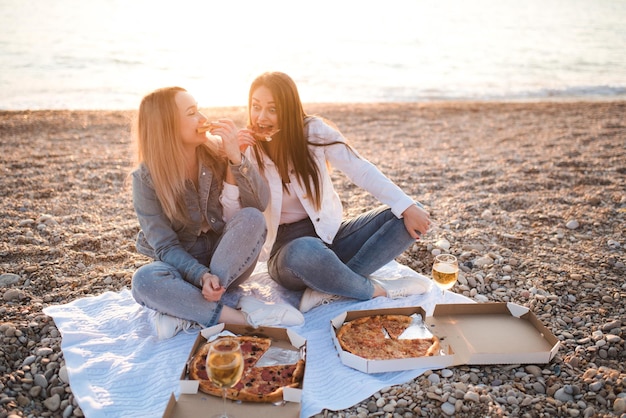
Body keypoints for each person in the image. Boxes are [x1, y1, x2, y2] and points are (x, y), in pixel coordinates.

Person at [237, 72, 432, 313]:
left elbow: (359, 169)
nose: (261, 117)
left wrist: (406, 205)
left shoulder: (314, 132)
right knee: (306, 250)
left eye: (272, 109)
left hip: (328, 238)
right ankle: (373, 289)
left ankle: (329, 288)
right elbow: (237, 211)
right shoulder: (246, 150)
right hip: (288, 255)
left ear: (288, 110)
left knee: (407, 214)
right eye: (256, 107)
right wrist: (237, 160)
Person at [129, 86, 304, 339]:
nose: (202, 118)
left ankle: (187, 311)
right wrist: (201, 276)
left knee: (252, 217)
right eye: (191, 113)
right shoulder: (145, 178)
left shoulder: (216, 151)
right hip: (183, 266)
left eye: (198, 109)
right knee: (144, 280)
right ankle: (238, 317)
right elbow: (165, 247)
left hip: (228, 262)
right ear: (166, 126)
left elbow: (260, 202)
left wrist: (235, 156)